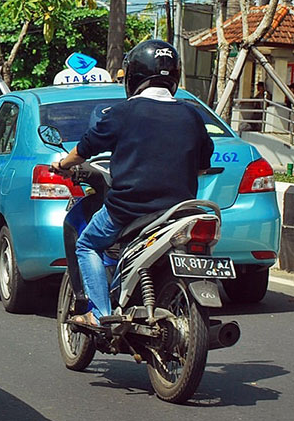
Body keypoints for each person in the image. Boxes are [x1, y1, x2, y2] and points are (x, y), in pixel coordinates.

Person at [51, 40, 215, 326]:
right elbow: (203, 164)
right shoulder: (192, 115)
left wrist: (63, 164)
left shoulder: (124, 112)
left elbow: (86, 146)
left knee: (88, 244)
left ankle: (100, 313)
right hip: (179, 210)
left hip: (129, 208)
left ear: (134, 76)